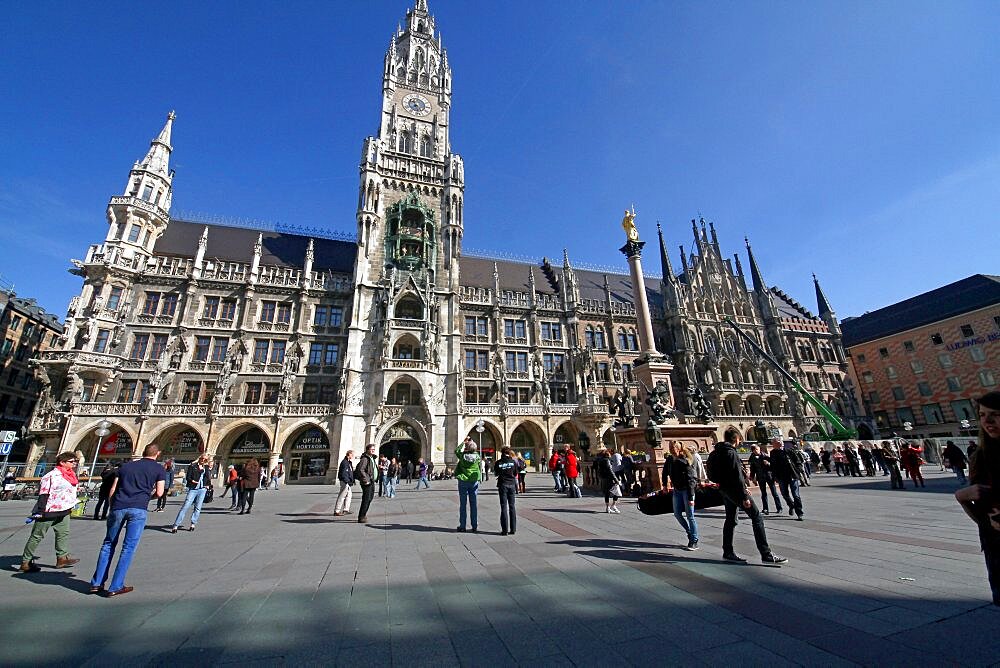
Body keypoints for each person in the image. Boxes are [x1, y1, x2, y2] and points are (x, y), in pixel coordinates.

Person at [89, 443, 167, 596]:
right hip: (138, 508)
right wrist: (146, 498)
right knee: (128, 548)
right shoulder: (158, 469)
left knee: (108, 544)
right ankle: (116, 586)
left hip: (118, 506)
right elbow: (159, 492)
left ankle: (97, 583)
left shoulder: (125, 467)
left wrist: (112, 506)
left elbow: (113, 489)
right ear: (157, 454)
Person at [706, 428, 787, 565]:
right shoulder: (730, 453)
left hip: (724, 490)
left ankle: (727, 551)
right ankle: (766, 553)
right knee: (757, 517)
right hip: (735, 490)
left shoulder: (715, 452)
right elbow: (737, 475)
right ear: (736, 439)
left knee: (731, 519)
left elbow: (711, 473)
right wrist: (744, 494)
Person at [955, 391, 1000, 605]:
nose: (987, 421)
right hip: (995, 547)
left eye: (995, 414)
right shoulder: (979, 458)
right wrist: (961, 497)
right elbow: (982, 518)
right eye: (982, 415)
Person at [20, 452, 81, 573]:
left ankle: (61, 558)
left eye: (75, 461)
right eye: (72, 461)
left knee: (63, 534)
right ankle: (25, 562)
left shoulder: (70, 475)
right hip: (49, 510)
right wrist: (40, 511)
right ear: (62, 462)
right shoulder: (51, 476)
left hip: (64, 510)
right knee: (37, 536)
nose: (74, 463)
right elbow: (44, 493)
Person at [662, 442, 699, 549]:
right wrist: (665, 484)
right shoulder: (669, 459)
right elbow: (665, 472)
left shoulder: (685, 460)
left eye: (673, 448)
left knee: (690, 516)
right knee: (677, 514)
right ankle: (690, 532)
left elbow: (691, 479)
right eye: (670, 448)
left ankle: (694, 540)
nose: (671, 450)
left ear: (678, 449)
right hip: (677, 490)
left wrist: (691, 497)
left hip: (687, 491)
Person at [170, 455, 212, 533]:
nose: (203, 460)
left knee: (198, 508)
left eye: (205, 460)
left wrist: (208, 485)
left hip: (202, 489)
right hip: (193, 489)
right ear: (199, 459)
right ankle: (176, 525)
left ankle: (193, 524)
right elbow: (188, 477)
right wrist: (192, 481)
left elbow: (208, 477)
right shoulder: (193, 466)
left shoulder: (206, 468)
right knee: (185, 506)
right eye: (202, 459)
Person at [770, 440, 804, 520]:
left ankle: (799, 513)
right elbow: (773, 465)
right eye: (778, 442)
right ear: (774, 445)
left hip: (792, 475)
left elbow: (798, 461)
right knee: (785, 494)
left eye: (781, 442)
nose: (781, 443)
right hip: (781, 477)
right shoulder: (773, 453)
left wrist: (798, 471)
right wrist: (774, 476)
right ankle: (791, 505)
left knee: (796, 495)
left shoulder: (789, 451)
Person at [455, 437, 482, 532]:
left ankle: (462, 526)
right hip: (474, 481)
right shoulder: (478, 456)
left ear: (467, 448)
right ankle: (474, 525)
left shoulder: (462, 456)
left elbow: (456, 450)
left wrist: (464, 442)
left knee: (463, 504)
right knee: (473, 504)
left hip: (463, 481)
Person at [747, 444, 782, 515]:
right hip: (760, 477)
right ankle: (765, 508)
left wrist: (768, 464)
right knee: (763, 493)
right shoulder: (752, 457)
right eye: (756, 449)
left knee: (774, 493)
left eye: (758, 449)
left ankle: (779, 508)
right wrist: (752, 476)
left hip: (768, 476)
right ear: (753, 451)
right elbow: (752, 468)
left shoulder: (765, 455)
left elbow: (773, 464)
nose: (758, 450)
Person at [493, 446, 520, 535]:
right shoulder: (513, 462)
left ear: (502, 452)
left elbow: (496, 473)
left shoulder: (498, 462)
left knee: (503, 507)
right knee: (512, 506)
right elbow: (516, 473)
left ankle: (504, 530)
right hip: (512, 484)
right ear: (509, 453)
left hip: (502, 484)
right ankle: (513, 529)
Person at [354, 444, 379, 523]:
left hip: (371, 481)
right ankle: (361, 516)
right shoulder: (365, 459)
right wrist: (366, 479)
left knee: (369, 498)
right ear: (367, 450)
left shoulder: (372, 458)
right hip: (367, 482)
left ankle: (363, 514)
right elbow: (361, 469)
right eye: (371, 449)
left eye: (374, 449)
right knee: (366, 499)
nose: (373, 450)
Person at [594, 446, 622, 514]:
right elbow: (610, 471)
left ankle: (607, 508)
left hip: (604, 478)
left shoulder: (600, 460)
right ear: (607, 454)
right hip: (609, 479)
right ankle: (613, 506)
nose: (610, 454)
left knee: (607, 493)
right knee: (617, 493)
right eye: (609, 453)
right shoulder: (607, 461)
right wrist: (616, 480)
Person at [334, 450, 355, 516]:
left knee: (349, 495)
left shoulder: (348, 462)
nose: (353, 456)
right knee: (342, 495)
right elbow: (344, 473)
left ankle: (346, 509)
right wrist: (346, 481)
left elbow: (350, 472)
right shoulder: (344, 462)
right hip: (345, 482)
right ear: (349, 454)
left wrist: (352, 480)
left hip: (348, 482)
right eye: (352, 454)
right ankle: (337, 510)